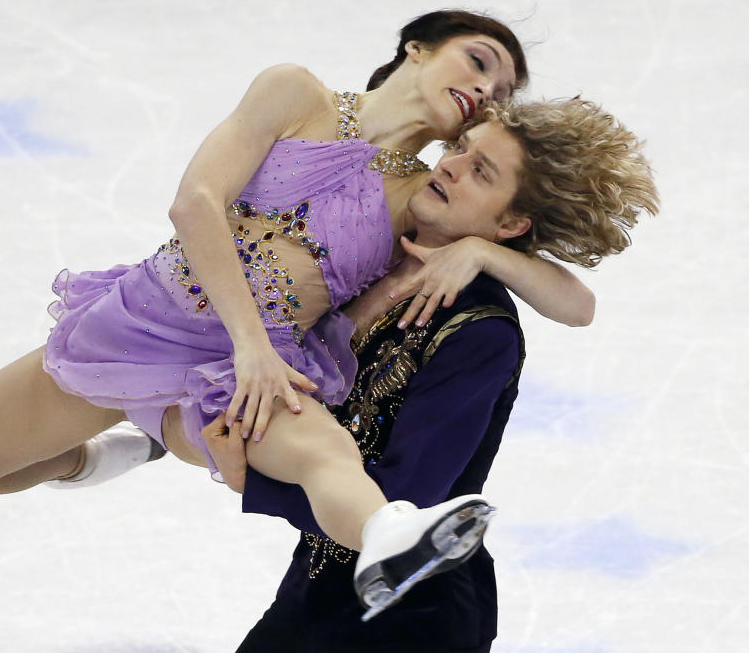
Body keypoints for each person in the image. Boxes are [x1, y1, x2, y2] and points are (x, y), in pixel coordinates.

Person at [0, 11, 598, 615]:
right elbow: (194, 202)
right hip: (146, 324)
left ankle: (392, 537)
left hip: (244, 378)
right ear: (417, 46)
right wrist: (249, 344)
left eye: (499, 92)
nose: (484, 91)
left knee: (327, 453)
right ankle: (99, 456)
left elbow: (577, 304)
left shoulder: (426, 195)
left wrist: (487, 254)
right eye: (478, 62)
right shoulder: (294, 93)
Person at [190, 99, 658, 651]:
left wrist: (253, 479)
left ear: (510, 224)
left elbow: (407, 495)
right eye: (460, 147)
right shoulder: (370, 257)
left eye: (480, 171)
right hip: (316, 588)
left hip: (415, 617)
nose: (451, 166)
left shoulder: (479, 332)